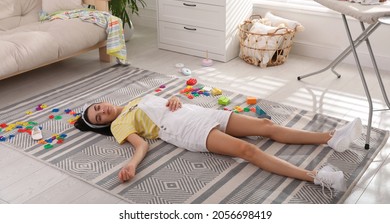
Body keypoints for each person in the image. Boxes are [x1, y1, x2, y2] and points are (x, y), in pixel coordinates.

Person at [74, 93, 363, 193]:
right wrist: (132, 164)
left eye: (98, 107)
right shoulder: (118, 124)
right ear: (102, 124)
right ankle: (315, 177)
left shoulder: (136, 100)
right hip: (180, 128)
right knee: (247, 150)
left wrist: (174, 98)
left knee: (265, 126)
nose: (102, 112)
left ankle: (331, 138)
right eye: (97, 117)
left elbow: (168, 103)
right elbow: (141, 145)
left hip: (195, 112)